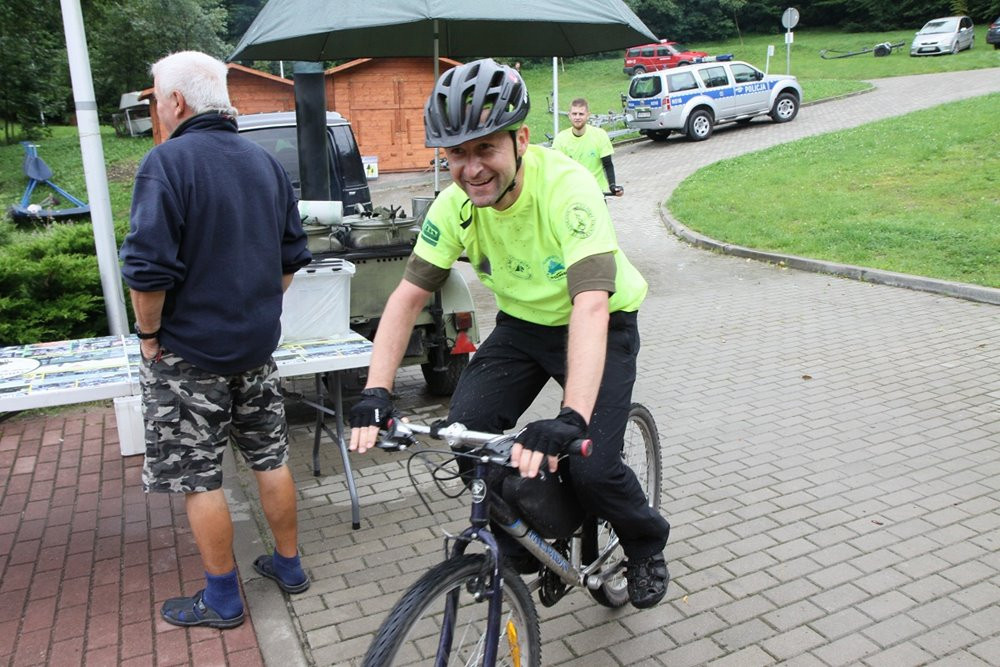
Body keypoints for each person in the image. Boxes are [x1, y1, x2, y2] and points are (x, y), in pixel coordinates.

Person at [349, 59, 669, 609]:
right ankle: (536, 532)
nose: (471, 169)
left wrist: (571, 417)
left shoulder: (566, 188)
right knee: (464, 436)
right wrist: (377, 390)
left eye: (486, 149)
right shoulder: (454, 207)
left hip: (600, 322)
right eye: (456, 154)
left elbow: (591, 304)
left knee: (591, 465)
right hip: (522, 327)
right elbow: (406, 298)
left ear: (520, 140)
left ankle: (644, 543)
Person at [119, 51, 313, 629]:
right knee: (271, 457)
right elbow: (290, 260)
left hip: (187, 355)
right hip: (256, 349)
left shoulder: (166, 163)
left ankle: (223, 599)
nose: (157, 109)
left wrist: (148, 335)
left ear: (176, 101)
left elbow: (147, 274)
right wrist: (255, 309)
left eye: (157, 99)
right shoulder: (264, 163)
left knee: (199, 477)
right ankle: (289, 567)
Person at [551, 97, 623, 196]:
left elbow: (607, 165)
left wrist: (612, 186)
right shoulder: (560, 139)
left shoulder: (600, 135)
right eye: (574, 114)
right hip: (572, 194)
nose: (577, 117)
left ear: (588, 115)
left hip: (597, 193)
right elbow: (556, 169)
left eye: (581, 114)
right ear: (569, 115)